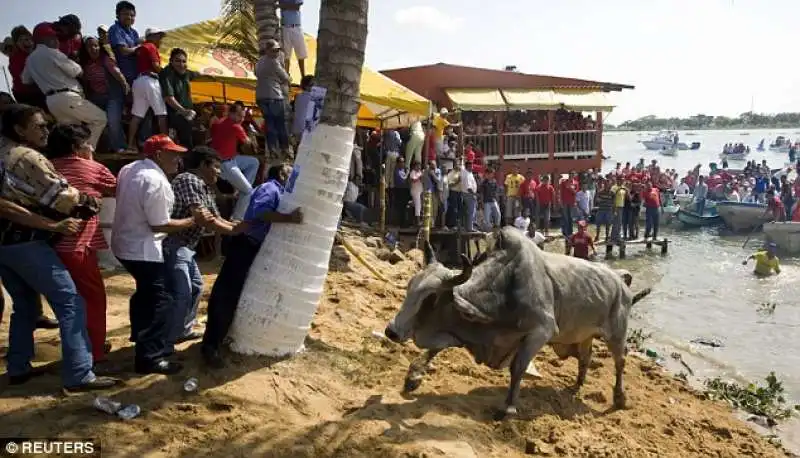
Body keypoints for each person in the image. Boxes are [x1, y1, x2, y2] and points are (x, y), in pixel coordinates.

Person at [0, 104, 117, 390]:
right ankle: (80, 372)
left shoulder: (2, 152)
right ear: (19, 129)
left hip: (4, 246)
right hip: (27, 243)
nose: (45, 131)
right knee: (70, 302)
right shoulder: (27, 156)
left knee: (26, 306)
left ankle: (18, 367)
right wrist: (87, 202)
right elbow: (63, 197)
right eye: (39, 126)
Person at [112, 134, 205, 375]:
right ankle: (150, 357)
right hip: (143, 248)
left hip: (125, 244)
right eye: (173, 154)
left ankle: (140, 337)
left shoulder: (129, 169)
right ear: (158, 155)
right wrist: (191, 221)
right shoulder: (156, 181)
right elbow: (160, 224)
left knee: (145, 293)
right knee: (160, 301)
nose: (178, 159)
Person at [201, 164, 304, 368]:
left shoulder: (280, 192)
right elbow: (261, 213)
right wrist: (289, 219)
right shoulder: (270, 188)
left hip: (251, 246)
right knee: (227, 293)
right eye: (289, 172)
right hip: (245, 244)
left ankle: (216, 340)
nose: (292, 175)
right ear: (281, 175)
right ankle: (210, 346)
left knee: (233, 292)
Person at [47, 124, 118, 365]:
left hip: (45, 248)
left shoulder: (46, 167)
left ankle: (83, 347)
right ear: (77, 148)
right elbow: (116, 188)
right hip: (77, 247)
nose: (91, 147)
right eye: (88, 143)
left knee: (67, 302)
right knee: (93, 299)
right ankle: (95, 352)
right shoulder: (91, 167)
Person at [163, 146, 244, 352]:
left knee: (197, 287)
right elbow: (202, 218)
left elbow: (215, 218)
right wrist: (235, 231)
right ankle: (166, 342)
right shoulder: (189, 180)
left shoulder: (205, 186)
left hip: (186, 247)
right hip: (174, 245)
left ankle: (183, 329)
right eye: (216, 167)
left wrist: (236, 228)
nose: (218, 171)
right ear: (202, 165)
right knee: (182, 292)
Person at [23, 23, 107, 149]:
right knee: (100, 118)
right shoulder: (52, 52)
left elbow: (25, 80)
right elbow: (77, 71)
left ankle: (76, 156)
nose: (56, 40)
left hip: (51, 101)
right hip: (67, 96)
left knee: (72, 133)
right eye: (54, 37)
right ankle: (86, 151)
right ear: (46, 38)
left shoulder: (30, 59)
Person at [79, 36, 130, 153]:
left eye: (96, 45)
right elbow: (86, 82)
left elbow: (118, 74)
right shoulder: (85, 64)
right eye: (89, 46)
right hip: (96, 96)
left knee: (113, 120)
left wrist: (125, 87)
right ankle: (100, 147)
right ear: (85, 49)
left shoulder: (106, 59)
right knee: (93, 120)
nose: (93, 49)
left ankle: (120, 147)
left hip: (112, 95)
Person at [211, 103, 258, 221]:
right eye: (239, 116)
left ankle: (241, 189)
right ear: (231, 113)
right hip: (224, 164)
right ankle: (237, 218)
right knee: (248, 192)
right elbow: (248, 144)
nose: (241, 119)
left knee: (254, 162)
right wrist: (251, 131)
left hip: (227, 159)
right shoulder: (236, 126)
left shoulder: (219, 121)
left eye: (242, 117)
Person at [127, 28, 168, 152]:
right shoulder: (151, 46)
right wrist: (167, 74)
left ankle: (130, 145)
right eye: (159, 37)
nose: (160, 40)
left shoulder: (140, 48)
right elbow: (156, 66)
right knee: (162, 114)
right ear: (152, 37)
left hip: (138, 81)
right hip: (150, 81)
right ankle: (166, 144)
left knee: (137, 116)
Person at [255, 39, 291, 157]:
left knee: (269, 123)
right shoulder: (274, 62)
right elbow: (286, 78)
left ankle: (272, 149)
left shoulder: (259, 62)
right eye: (274, 51)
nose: (276, 53)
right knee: (280, 124)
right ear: (268, 51)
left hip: (261, 96)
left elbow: (257, 74)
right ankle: (284, 149)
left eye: (277, 51)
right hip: (274, 95)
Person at [160, 47, 198, 148]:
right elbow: (168, 98)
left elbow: (199, 75)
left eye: (183, 61)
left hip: (187, 116)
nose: (181, 64)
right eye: (177, 61)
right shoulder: (167, 73)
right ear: (171, 61)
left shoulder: (186, 72)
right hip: (174, 117)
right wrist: (184, 112)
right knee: (183, 146)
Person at [279, 0, 308, 76]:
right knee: (286, 56)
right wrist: (287, 5)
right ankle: (286, 76)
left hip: (296, 27)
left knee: (301, 54)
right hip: (285, 27)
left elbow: (297, 5)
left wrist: (284, 5)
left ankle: (303, 76)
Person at [291, 74, 315, 146]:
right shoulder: (313, 97)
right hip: (306, 129)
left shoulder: (298, 96)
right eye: (312, 85)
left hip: (296, 128)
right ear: (307, 86)